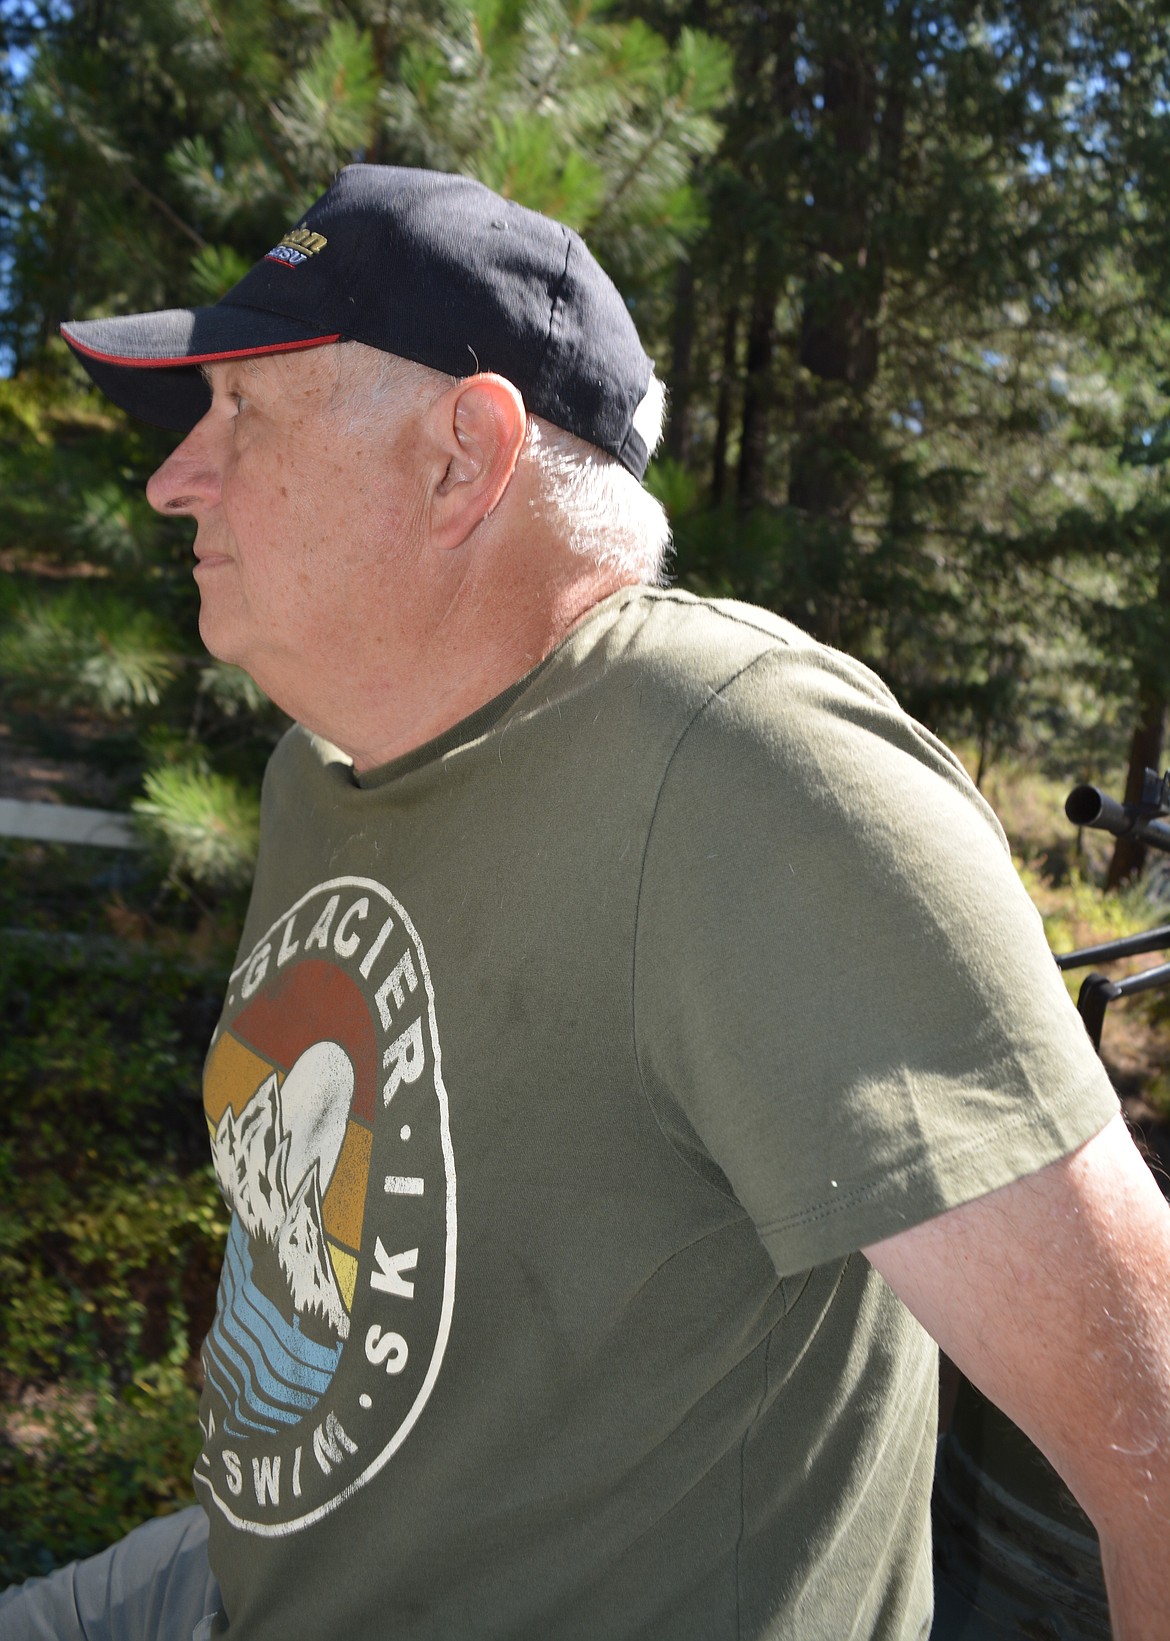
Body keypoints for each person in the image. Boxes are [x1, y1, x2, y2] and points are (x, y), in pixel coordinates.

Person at [4, 164, 1168, 1640]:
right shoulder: (329, 765)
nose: (174, 475)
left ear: (458, 459)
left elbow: (1154, 1442)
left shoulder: (751, 772)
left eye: (245, 412)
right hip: (232, 1582)